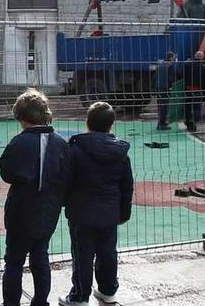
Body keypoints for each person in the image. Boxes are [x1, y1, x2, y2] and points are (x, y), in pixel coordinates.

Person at [0, 89, 71, 306]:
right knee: (40, 257)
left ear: (20, 117)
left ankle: (11, 303)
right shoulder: (60, 143)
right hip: (48, 210)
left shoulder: (18, 142)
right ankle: (40, 301)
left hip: (20, 211)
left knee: (13, 261)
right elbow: (67, 175)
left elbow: (6, 173)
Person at [60, 102, 133, 306]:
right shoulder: (120, 154)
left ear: (87, 123)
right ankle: (108, 290)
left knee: (82, 254)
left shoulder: (74, 150)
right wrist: (123, 212)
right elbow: (127, 186)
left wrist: (65, 204)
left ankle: (80, 295)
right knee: (107, 252)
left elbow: (66, 181)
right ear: (111, 125)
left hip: (81, 212)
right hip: (110, 212)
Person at [182, 51, 205, 132]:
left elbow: (181, 75)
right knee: (196, 107)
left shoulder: (187, 65)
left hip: (188, 89)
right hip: (198, 90)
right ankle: (195, 120)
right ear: (202, 58)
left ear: (194, 56)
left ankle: (188, 121)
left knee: (187, 106)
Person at [153, 52, 178, 131]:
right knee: (164, 106)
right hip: (165, 88)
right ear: (170, 58)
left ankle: (161, 122)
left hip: (159, 87)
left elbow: (154, 77)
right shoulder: (170, 66)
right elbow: (171, 78)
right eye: (173, 58)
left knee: (160, 106)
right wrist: (171, 86)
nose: (174, 59)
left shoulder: (160, 65)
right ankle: (161, 124)